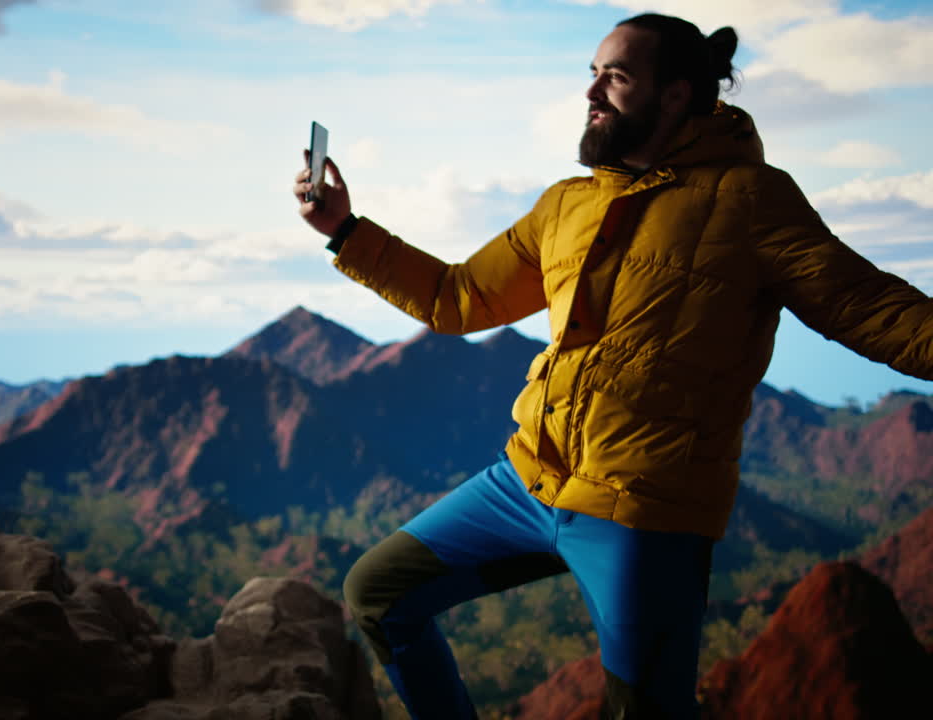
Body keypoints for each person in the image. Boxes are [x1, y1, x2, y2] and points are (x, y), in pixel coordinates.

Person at [290, 12, 933, 720]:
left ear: (678, 95)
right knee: (379, 592)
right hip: (528, 482)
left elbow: (870, 307)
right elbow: (457, 297)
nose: (593, 92)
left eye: (617, 77)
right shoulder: (567, 204)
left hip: (642, 512)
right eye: (592, 74)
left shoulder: (750, 199)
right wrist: (346, 232)